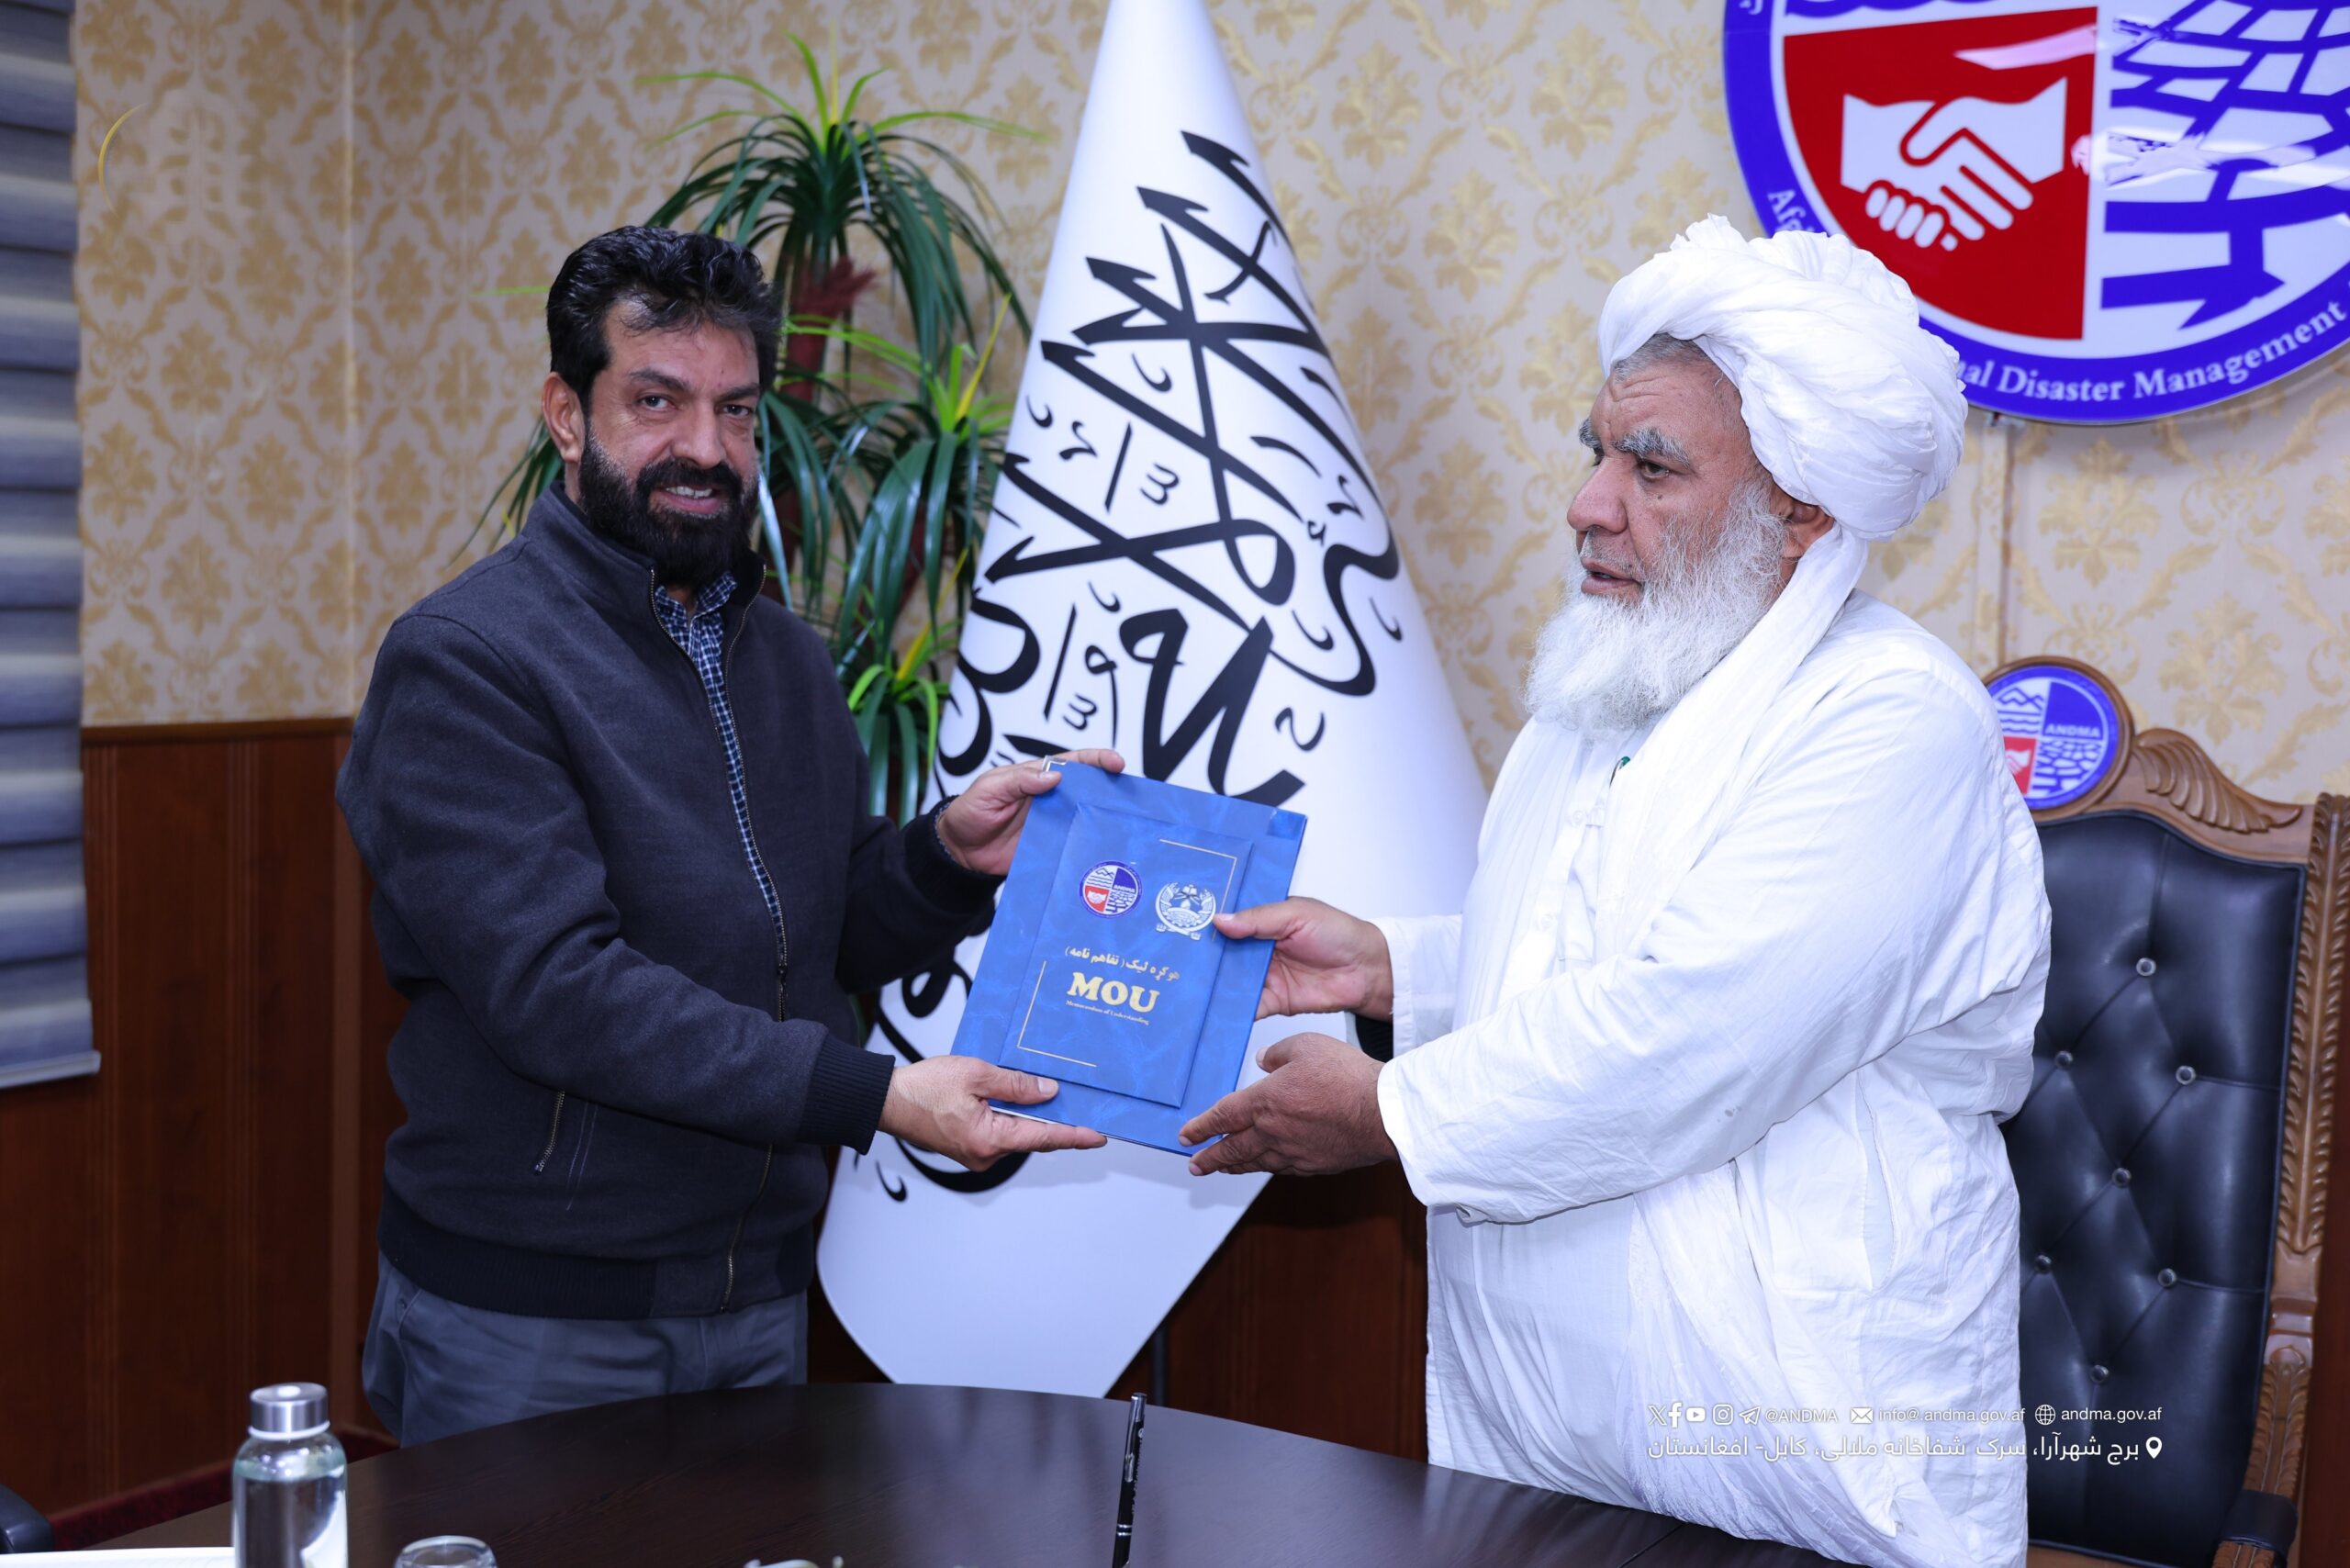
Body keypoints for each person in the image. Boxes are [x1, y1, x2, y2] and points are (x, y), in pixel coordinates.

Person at [1178, 217, 2049, 1568]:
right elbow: (1583, 946)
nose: (1589, 503)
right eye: (1597, 452)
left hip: (1796, 1472)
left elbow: (1691, 1032)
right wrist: (1398, 968)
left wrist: (1391, 1112)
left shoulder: (1892, 719)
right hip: (1539, 1459)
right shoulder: (1609, 678)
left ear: (1803, 509)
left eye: (1653, 467)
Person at [339, 226, 1107, 1446]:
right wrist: (875, 1094)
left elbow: (821, 935)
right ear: (567, 414)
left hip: (757, 1301)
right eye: (657, 401)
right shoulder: (467, 661)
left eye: (736, 410)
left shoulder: (790, 658)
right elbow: (560, 993)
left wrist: (947, 859)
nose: (705, 448)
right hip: (535, 1321)